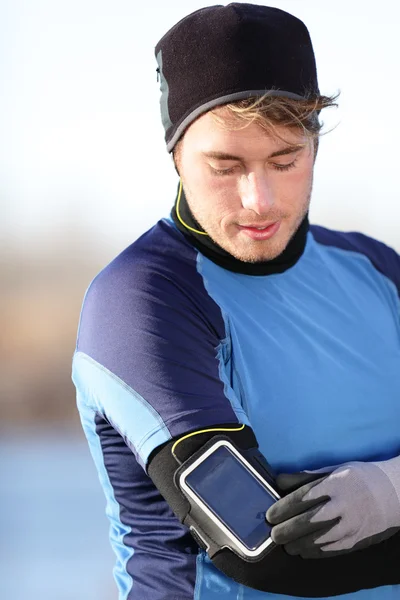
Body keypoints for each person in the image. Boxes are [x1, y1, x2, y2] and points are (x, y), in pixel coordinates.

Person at [72, 4, 400, 599]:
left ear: (316, 146)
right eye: (226, 167)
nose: (260, 200)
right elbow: (260, 549)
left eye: (286, 160)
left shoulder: (377, 271)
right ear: (175, 155)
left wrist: (391, 492)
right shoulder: (143, 301)